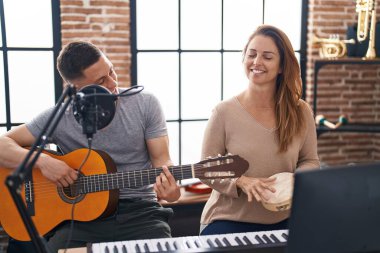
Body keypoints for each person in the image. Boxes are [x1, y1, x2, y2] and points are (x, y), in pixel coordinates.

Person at [0, 41, 181, 252]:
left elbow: (162, 160)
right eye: (102, 81)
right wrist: (43, 162)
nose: (113, 83)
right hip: (82, 220)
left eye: (111, 71)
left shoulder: (145, 104)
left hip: (141, 214)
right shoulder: (60, 116)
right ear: (75, 90)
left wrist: (171, 189)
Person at [199, 25, 320, 235]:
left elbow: (310, 161)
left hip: (286, 218)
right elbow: (204, 168)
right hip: (228, 219)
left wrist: (295, 179)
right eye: (251, 54)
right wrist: (241, 181)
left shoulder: (301, 111)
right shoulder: (223, 112)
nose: (257, 62)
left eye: (267, 57)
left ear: (282, 66)